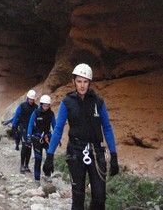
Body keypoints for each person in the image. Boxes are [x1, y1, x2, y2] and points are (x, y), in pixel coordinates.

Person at [44, 63, 119, 210]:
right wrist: (50, 155)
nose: (82, 85)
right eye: (79, 81)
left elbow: (107, 128)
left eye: (85, 81)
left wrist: (114, 155)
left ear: (89, 83)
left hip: (96, 152)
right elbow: (58, 129)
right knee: (78, 196)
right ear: (73, 82)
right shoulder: (67, 102)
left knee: (99, 198)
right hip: (75, 152)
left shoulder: (98, 102)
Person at [27, 94, 56, 185]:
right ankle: (37, 178)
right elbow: (31, 124)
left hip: (47, 137)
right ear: (41, 104)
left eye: (48, 105)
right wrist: (28, 135)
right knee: (38, 158)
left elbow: (55, 126)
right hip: (37, 137)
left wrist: (57, 139)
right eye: (44, 105)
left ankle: (47, 174)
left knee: (49, 156)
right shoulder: (36, 113)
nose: (46, 107)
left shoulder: (51, 114)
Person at [11, 89, 38, 173]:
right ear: (27, 98)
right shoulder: (22, 106)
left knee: (29, 147)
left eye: (32, 99)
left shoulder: (36, 107)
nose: (31, 100)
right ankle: (22, 165)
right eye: (30, 99)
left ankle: (26, 165)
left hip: (31, 130)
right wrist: (14, 126)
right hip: (23, 128)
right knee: (24, 146)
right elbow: (16, 116)